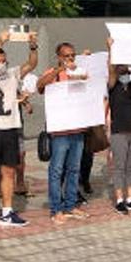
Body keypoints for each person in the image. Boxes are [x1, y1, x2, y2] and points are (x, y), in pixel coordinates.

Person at [0, 31, 37, 232]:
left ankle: (7, 212)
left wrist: (33, 46)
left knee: (8, 172)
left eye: (3, 60)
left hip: (11, 128)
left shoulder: (12, 74)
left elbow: (32, 64)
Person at [36, 42, 90, 224]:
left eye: (72, 56)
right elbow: (40, 86)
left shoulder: (79, 73)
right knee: (56, 170)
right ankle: (56, 209)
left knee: (74, 169)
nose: (70, 59)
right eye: (66, 56)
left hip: (77, 129)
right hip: (59, 132)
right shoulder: (53, 73)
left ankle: (70, 205)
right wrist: (59, 70)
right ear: (59, 57)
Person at [105, 39, 131, 215]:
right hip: (119, 131)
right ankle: (119, 199)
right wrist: (111, 49)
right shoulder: (113, 86)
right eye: (121, 66)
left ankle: (130, 198)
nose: (125, 68)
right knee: (119, 167)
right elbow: (111, 71)